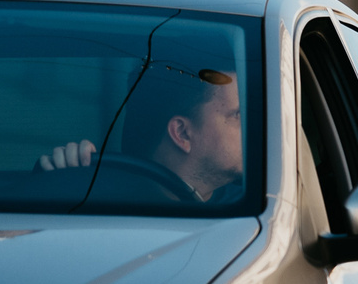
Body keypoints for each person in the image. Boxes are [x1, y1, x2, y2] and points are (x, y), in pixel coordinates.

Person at [34, 64, 244, 204]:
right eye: (238, 115)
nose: (253, 128)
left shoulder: (250, 205)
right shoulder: (99, 202)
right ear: (182, 133)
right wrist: (62, 178)